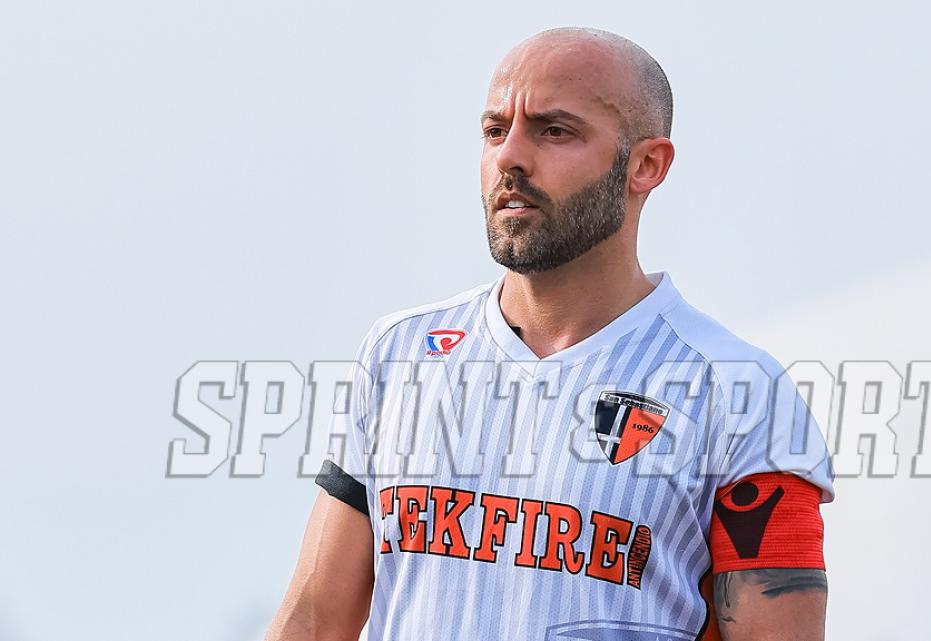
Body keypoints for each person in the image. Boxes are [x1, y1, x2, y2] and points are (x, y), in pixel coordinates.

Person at [266, 26, 834, 641]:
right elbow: (316, 619)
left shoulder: (739, 389)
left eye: (554, 131)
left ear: (646, 165)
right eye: (494, 130)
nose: (509, 157)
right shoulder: (401, 353)